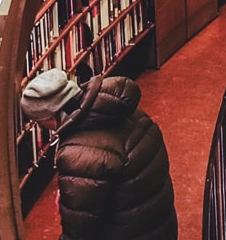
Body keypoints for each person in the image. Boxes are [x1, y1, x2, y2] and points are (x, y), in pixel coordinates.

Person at [21, 68, 178, 240]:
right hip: (159, 227)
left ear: (49, 117)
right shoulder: (130, 114)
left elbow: (79, 230)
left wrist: (72, 199)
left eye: (40, 122)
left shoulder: (77, 155)